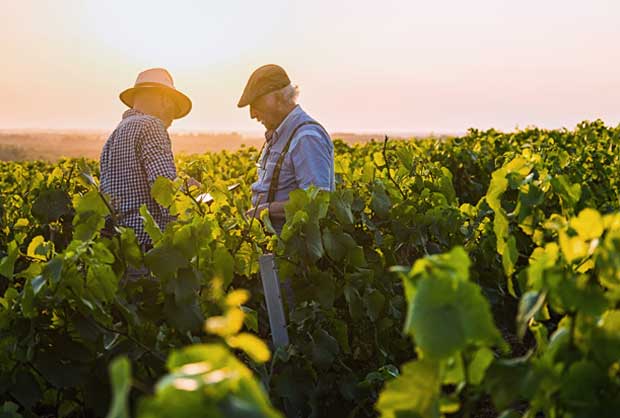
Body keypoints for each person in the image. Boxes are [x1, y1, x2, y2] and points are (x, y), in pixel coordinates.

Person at [100, 68, 196, 248]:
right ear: (164, 98)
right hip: (148, 247)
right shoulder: (151, 125)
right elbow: (165, 193)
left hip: (121, 249)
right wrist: (193, 195)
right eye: (173, 107)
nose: (173, 117)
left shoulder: (113, 137)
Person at [238, 64, 335, 233]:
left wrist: (264, 211)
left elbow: (317, 201)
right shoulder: (279, 134)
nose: (252, 114)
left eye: (255, 104)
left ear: (277, 98)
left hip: (292, 252)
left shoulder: (306, 137)